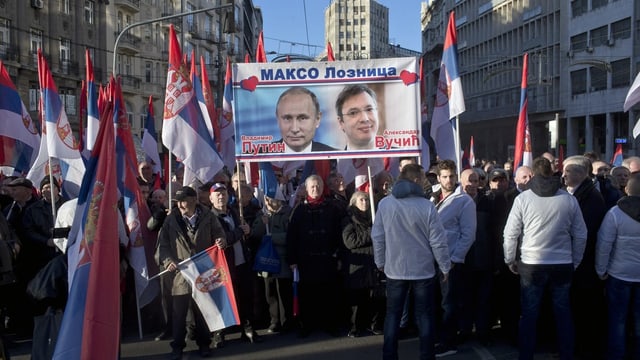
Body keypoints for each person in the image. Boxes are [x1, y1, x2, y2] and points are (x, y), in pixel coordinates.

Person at [503, 157, 587, 360]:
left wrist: (509, 259)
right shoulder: (568, 199)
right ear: (552, 172)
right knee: (563, 313)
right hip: (561, 264)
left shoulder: (523, 199)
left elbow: (510, 233)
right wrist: (574, 261)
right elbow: (581, 234)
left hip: (532, 263)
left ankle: (526, 356)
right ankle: (567, 355)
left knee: (530, 315)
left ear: (534, 173)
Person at [371, 163, 451, 360]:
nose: (425, 182)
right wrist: (445, 266)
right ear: (416, 180)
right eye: (423, 178)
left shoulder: (386, 204)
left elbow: (377, 236)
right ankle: (427, 355)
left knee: (393, 315)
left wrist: (380, 262)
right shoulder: (426, 206)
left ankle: (389, 356)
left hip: (395, 269)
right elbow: (438, 240)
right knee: (424, 316)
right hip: (422, 270)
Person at [156, 186, 226, 359]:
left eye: (183, 201)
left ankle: (204, 344)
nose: (180, 204)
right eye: (178, 201)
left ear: (194, 200)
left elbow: (219, 233)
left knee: (203, 311)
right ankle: (177, 347)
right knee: (179, 313)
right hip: (182, 272)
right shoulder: (171, 219)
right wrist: (168, 261)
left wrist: (221, 240)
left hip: (203, 271)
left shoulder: (208, 216)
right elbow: (162, 245)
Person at [429, 159, 476, 357]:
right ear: (438, 178)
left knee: (449, 303)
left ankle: (449, 342)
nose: (449, 180)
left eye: (451, 176)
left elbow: (469, 234)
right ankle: (438, 337)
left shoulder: (464, 201)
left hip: (451, 260)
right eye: (445, 177)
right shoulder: (431, 198)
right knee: (435, 301)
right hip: (431, 259)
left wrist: (456, 259)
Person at [287, 175, 343, 337]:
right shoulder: (298, 210)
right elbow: (292, 236)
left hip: (327, 259)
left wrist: (338, 255)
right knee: (307, 294)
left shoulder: (332, 208)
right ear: (306, 189)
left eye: (318, 186)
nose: (315, 189)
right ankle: (307, 325)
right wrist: (292, 260)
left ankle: (329, 324)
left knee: (328, 293)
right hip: (306, 260)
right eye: (312, 187)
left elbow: (339, 233)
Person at [562, 155, 607, 359]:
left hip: (585, 264)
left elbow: (583, 232)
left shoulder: (590, 197)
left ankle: (585, 349)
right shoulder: (580, 193)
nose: (562, 175)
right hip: (581, 262)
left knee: (585, 309)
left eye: (567, 171)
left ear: (580, 174)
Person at [596, 172, 640, 359]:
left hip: (619, 273)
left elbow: (604, 244)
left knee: (617, 320)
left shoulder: (614, 213)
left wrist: (601, 269)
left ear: (626, 189)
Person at [251, 194, 293, 334]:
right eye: (266, 199)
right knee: (270, 292)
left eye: (271, 199)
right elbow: (255, 236)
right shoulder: (262, 215)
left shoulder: (288, 214)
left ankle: (286, 320)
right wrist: (263, 225)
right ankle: (274, 321)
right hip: (266, 261)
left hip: (282, 259)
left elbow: (290, 236)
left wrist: (271, 238)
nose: (268, 202)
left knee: (284, 291)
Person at [342, 191, 381, 338]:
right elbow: (350, 241)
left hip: (374, 263)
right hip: (358, 265)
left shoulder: (375, 218)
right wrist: (372, 232)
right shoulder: (348, 220)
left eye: (366, 199)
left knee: (374, 298)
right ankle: (355, 327)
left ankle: (373, 325)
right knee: (356, 300)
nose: (365, 202)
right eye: (361, 200)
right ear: (354, 203)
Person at [275, 86, 335, 153]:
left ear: (317, 119)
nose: (294, 129)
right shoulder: (262, 154)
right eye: (287, 118)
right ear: (278, 119)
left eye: (302, 118)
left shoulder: (335, 156)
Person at [335, 84, 380, 150]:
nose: (364, 119)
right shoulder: (332, 160)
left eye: (369, 109)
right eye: (353, 113)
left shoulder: (399, 157)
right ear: (341, 122)